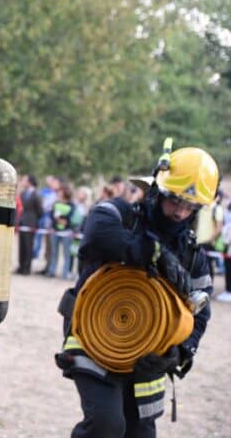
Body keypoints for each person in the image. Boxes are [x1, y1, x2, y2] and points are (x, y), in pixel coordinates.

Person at [57, 146, 217, 438]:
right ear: (157, 191)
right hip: (94, 338)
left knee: (140, 434)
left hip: (149, 358)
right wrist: (154, 253)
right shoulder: (120, 215)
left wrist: (179, 352)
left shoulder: (192, 254)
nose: (181, 212)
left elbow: (201, 312)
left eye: (190, 206)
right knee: (106, 425)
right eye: (175, 200)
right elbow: (96, 235)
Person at [17, 174, 43, 275]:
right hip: (22, 223)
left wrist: (34, 220)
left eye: (25, 180)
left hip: (31, 224)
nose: (23, 182)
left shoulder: (36, 194)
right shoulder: (23, 193)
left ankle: (27, 268)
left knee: (28, 246)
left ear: (30, 182)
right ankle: (21, 266)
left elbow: (40, 211)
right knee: (22, 246)